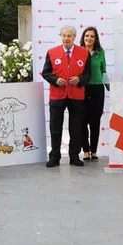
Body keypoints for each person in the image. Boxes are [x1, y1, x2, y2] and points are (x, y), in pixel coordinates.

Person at [41, 25, 89, 167]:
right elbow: (46, 73)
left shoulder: (84, 53)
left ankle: (74, 156)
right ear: (60, 36)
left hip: (76, 95)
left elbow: (88, 75)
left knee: (76, 127)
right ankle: (54, 157)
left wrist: (80, 79)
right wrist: (55, 80)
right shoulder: (52, 52)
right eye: (64, 35)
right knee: (55, 126)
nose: (66, 38)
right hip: (57, 95)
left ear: (74, 37)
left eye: (69, 36)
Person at [80, 27, 108, 162]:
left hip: (97, 89)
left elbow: (104, 70)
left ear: (95, 38)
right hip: (82, 88)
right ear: (83, 38)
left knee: (95, 121)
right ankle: (85, 150)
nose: (89, 38)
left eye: (92, 36)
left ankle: (94, 150)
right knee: (82, 121)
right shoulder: (78, 52)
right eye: (86, 36)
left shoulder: (100, 52)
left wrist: (110, 88)